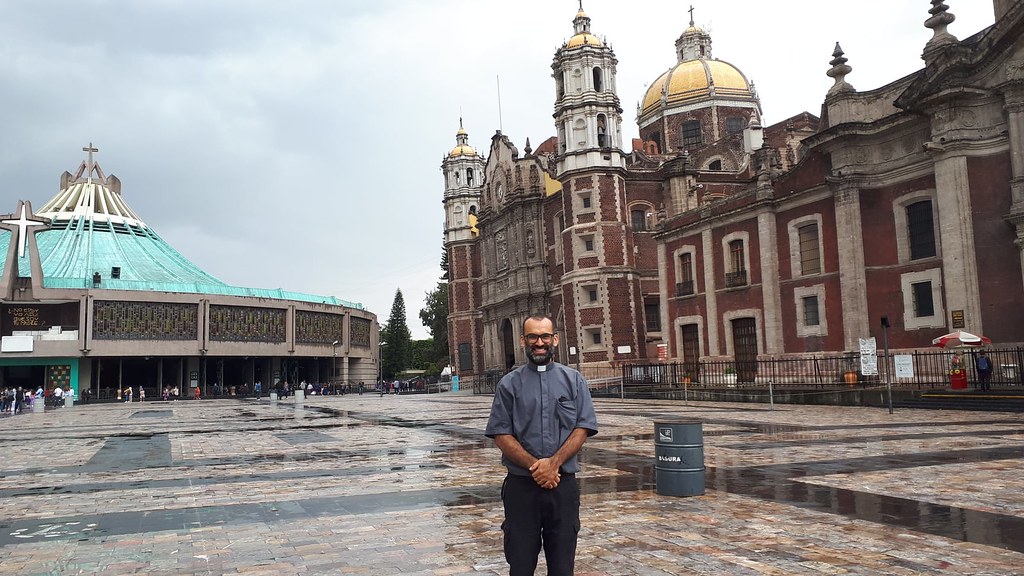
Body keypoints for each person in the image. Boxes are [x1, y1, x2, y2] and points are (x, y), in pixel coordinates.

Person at [485, 314, 598, 576]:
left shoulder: (574, 381)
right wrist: (537, 467)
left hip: (562, 486)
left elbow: (583, 427)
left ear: (555, 339)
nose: (539, 343)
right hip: (522, 488)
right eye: (533, 337)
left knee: (562, 567)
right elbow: (501, 433)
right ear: (523, 340)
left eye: (545, 336)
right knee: (521, 565)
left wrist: (553, 465)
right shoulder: (508, 385)